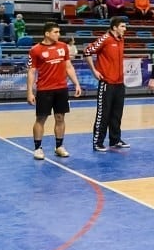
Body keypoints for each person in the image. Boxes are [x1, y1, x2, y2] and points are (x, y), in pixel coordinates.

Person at [27, 22, 82, 160]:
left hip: (61, 89)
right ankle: (38, 148)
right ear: (47, 33)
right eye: (56, 32)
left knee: (60, 118)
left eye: (59, 32)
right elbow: (32, 72)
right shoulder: (35, 50)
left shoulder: (63, 47)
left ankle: (59, 146)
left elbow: (68, 66)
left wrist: (76, 84)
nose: (59, 34)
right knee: (41, 118)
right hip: (44, 89)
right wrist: (29, 92)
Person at [83, 16, 129, 151]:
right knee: (104, 113)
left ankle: (115, 140)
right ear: (114, 27)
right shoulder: (105, 39)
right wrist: (94, 71)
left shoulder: (121, 39)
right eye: (122, 26)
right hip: (107, 82)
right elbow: (87, 51)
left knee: (117, 113)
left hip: (119, 83)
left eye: (125, 27)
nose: (125, 29)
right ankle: (98, 142)